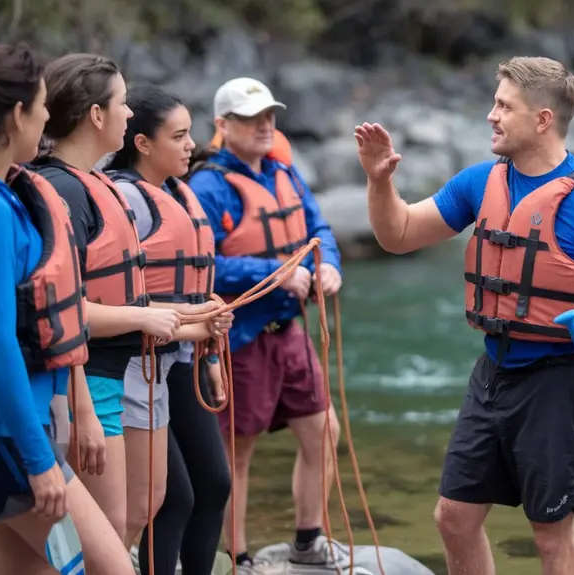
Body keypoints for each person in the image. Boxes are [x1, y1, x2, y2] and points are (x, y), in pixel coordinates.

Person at [357, 56, 574, 575]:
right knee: (453, 518)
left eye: (504, 105)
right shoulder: (482, 182)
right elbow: (400, 235)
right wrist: (378, 182)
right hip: (493, 373)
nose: (491, 116)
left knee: (551, 536)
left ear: (542, 119)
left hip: (560, 384)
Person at [32, 53, 222, 551]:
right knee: (104, 535)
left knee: (138, 511)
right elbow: (59, 311)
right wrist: (154, 317)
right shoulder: (63, 191)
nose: (128, 113)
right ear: (97, 116)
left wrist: (191, 319)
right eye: (121, 103)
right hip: (90, 381)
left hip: (118, 371)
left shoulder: (93, 186)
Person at [186, 77, 356, 575]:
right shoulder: (208, 186)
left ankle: (308, 540)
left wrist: (330, 265)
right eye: (251, 118)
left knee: (324, 430)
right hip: (238, 339)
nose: (265, 125)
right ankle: (237, 559)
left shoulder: (283, 170)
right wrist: (275, 273)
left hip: (289, 332)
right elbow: (203, 264)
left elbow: (318, 228)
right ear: (222, 126)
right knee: (235, 454)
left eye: (269, 116)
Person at [0, 41, 135, 575]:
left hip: (8, 432)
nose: (47, 117)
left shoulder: (1, 195)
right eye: (41, 106)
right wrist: (39, 459)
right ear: (16, 114)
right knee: (114, 568)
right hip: (2, 436)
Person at [104, 85, 234, 575]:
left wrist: (213, 350)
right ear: (141, 143)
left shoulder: (180, 192)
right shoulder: (123, 200)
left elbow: (195, 288)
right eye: (178, 136)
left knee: (214, 483)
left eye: (189, 134)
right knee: (171, 496)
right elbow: (121, 296)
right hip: (139, 363)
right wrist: (197, 323)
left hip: (184, 361)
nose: (189, 145)